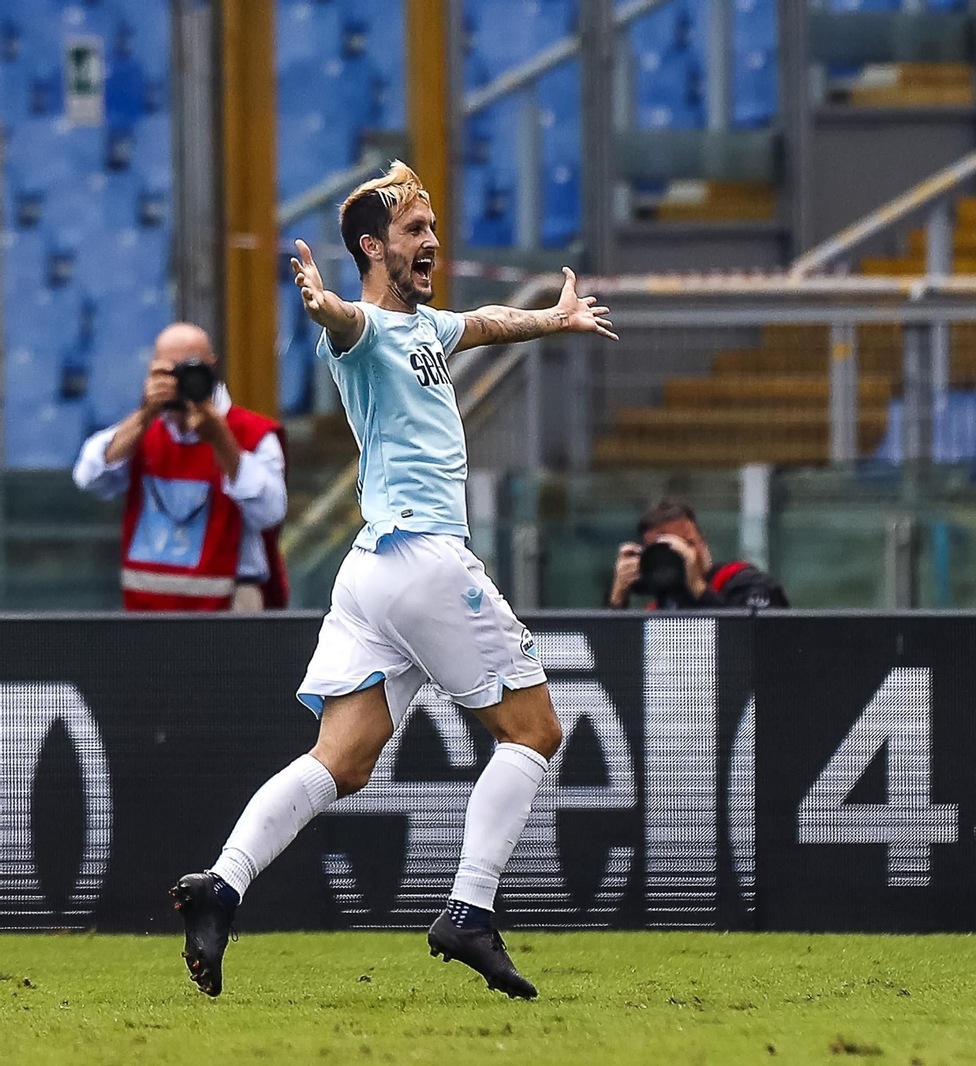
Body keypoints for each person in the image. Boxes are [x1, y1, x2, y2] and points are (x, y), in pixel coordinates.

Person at [169, 161, 617, 1000]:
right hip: (423, 557)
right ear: (373, 248)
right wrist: (323, 303)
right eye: (415, 230)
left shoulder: (427, 328)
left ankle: (221, 886)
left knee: (339, 761)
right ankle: (469, 911)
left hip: (371, 575)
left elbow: (484, 322)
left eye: (434, 228)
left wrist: (554, 319)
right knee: (534, 732)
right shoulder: (368, 330)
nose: (432, 241)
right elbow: (345, 322)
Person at [72, 323, 289, 611]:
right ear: (152, 371)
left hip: (230, 605)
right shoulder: (143, 431)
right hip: (147, 608)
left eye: (190, 370)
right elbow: (89, 477)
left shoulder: (252, 434)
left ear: (212, 368)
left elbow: (271, 512)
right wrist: (145, 413)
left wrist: (221, 440)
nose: (181, 382)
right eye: (169, 372)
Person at [608, 499, 788, 610]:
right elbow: (610, 658)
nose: (682, 555)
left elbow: (753, 645)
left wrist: (697, 587)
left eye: (688, 544)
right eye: (663, 550)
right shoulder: (659, 610)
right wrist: (617, 600)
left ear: (703, 543)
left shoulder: (745, 584)